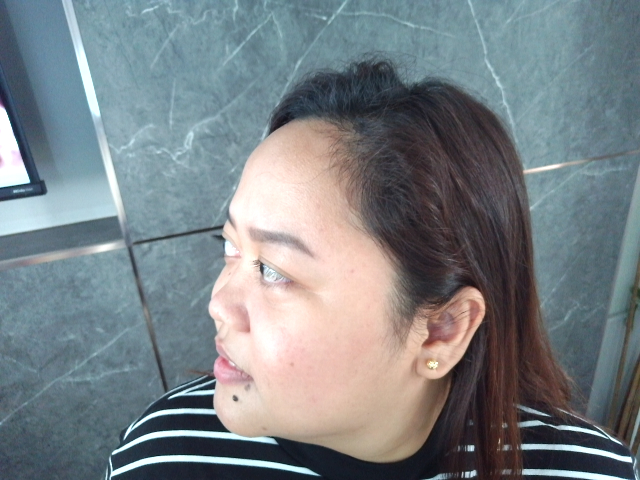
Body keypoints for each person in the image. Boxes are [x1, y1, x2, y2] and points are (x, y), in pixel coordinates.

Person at [105, 59, 637, 480]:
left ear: (441, 329)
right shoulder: (159, 459)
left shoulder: (588, 472)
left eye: (273, 270)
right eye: (230, 245)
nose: (218, 304)